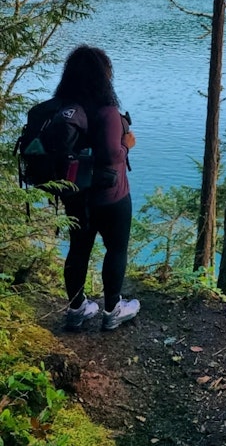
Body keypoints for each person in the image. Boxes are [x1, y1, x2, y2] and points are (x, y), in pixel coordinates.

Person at [54, 45, 140, 331]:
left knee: (78, 249)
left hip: (76, 194)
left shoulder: (64, 110)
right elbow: (110, 155)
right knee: (116, 249)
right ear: (103, 77)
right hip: (110, 195)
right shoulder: (107, 111)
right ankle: (113, 310)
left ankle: (77, 309)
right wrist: (126, 145)